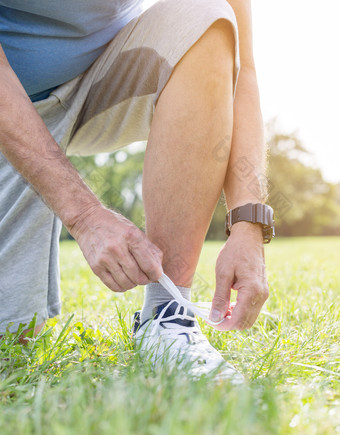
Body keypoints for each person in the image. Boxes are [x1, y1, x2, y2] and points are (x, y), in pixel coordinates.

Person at [0, 0, 270, 381]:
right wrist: (84, 215)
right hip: (10, 98)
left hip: (100, 74)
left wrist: (248, 223)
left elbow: (244, 70)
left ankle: (166, 317)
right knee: (10, 341)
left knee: (206, 17)